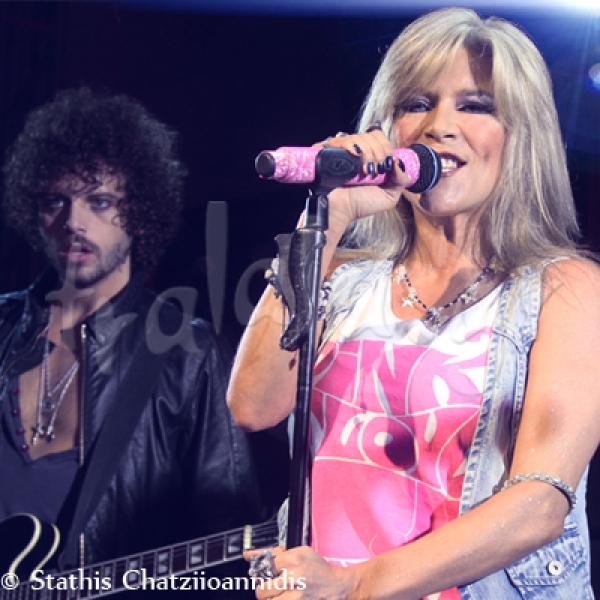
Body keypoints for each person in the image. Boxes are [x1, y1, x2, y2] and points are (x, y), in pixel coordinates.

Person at [227, 7, 600, 599]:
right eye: (417, 103)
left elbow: (539, 504)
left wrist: (353, 585)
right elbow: (252, 405)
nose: (439, 125)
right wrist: (326, 221)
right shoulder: (342, 279)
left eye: (475, 105)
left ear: (519, 136)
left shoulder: (565, 289)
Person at [0, 87, 264, 595]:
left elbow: (229, 543)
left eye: (99, 202)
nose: (73, 222)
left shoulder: (185, 353)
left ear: (139, 211)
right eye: (56, 201)